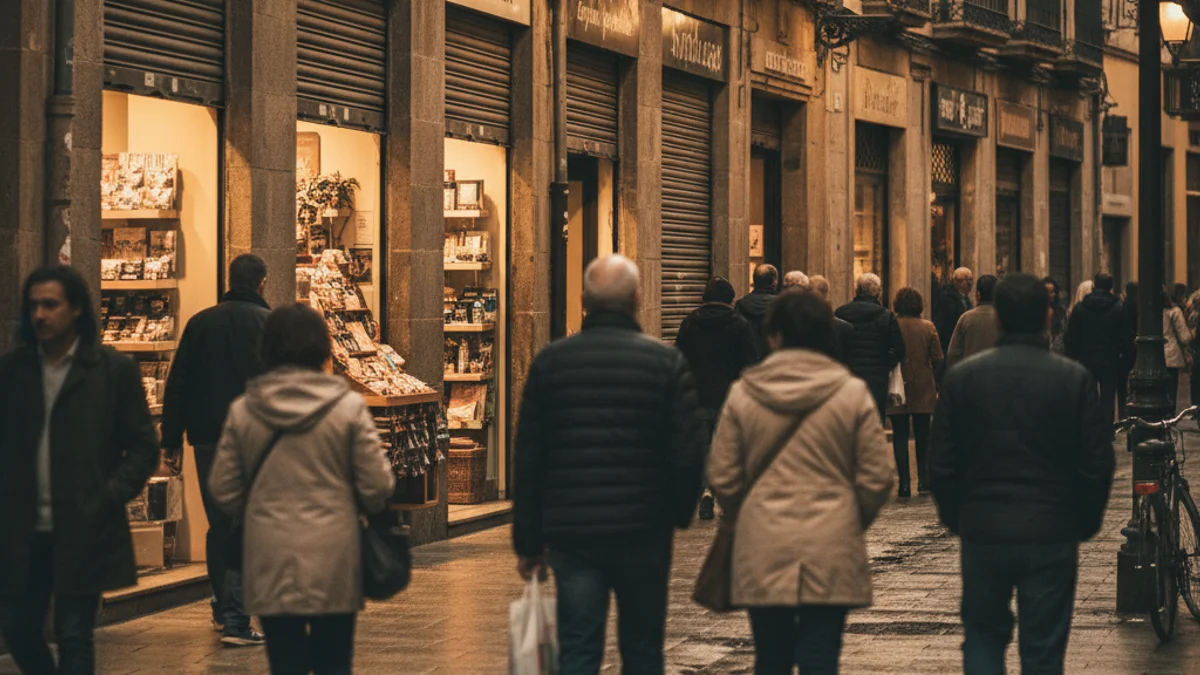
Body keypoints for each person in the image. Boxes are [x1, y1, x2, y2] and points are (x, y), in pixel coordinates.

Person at [512, 255, 705, 674]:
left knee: (579, 649)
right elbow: (688, 451)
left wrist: (528, 540)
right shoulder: (665, 363)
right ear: (638, 298)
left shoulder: (551, 363)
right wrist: (677, 512)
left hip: (573, 532)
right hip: (644, 530)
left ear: (584, 301)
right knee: (642, 648)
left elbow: (529, 458)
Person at [929, 273, 1114, 675]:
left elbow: (940, 461)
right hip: (1051, 528)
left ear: (997, 319)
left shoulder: (963, 379)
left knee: (982, 635)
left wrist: (958, 515)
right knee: (1044, 646)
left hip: (984, 528)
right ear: (1048, 317)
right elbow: (1096, 462)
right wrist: (1082, 521)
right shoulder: (1073, 379)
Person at [708, 289, 893, 675]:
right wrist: (847, 517)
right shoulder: (852, 393)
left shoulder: (744, 394)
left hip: (763, 542)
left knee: (771, 657)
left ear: (773, 336)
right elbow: (877, 478)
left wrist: (752, 512)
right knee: (820, 658)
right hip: (830, 542)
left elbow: (722, 473)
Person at [208, 303, 395, 675]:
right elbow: (378, 485)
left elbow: (222, 489)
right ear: (322, 349)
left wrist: (259, 506)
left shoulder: (245, 411)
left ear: (267, 349)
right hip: (335, 557)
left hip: (271, 555)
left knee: (286, 661)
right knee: (333, 662)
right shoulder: (348, 409)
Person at [0, 266, 159, 674]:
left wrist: (107, 495)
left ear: (75, 310)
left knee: (74, 635)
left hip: (83, 525)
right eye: (33, 305)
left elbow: (143, 444)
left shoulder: (109, 371)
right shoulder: (14, 370)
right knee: (17, 628)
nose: (40, 314)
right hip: (23, 528)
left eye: (50, 304)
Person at [160, 253, 270, 646]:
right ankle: (236, 619)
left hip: (207, 438)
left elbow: (178, 383)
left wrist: (170, 440)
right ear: (261, 284)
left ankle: (222, 605)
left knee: (221, 524)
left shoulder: (201, 322)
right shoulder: (270, 325)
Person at [675, 276, 757, 520]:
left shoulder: (689, 323)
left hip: (697, 397)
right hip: (729, 398)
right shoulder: (739, 324)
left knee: (703, 449)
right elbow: (749, 364)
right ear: (731, 300)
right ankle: (722, 493)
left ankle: (704, 491)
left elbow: (678, 360)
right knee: (727, 449)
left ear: (704, 299)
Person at [887, 287, 944, 498]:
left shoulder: (891, 324)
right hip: (923, 384)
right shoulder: (927, 327)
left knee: (900, 435)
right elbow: (938, 357)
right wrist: (934, 380)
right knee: (923, 435)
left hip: (897, 386)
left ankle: (903, 484)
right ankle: (924, 480)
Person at [834, 273, 906, 419]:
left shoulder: (841, 312)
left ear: (856, 291)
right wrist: (885, 365)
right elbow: (899, 349)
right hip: (877, 380)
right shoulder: (886, 315)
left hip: (847, 377)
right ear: (878, 293)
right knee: (874, 421)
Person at [1065, 273, 1126, 430]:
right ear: (1111, 287)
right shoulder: (1118, 307)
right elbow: (1124, 334)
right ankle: (1107, 430)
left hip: (1086, 357)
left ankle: (1089, 428)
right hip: (1109, 358)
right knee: (1108, 396)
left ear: (1094, 286)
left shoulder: (1081, 307)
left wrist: (1073, 354)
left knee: (1088, 394)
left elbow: (1071, 333)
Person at [945, 275, 1000, 371]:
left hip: (970, 375)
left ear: (978, 294)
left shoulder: (966, 318)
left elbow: (953, 354)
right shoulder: (1005, 318)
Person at [736, 264, 780, 362]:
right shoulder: (781, 305)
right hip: (773, 360)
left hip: (748, 359)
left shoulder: (741, 304)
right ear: (774, 282)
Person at [933, 267, 974, 355]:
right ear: (956, 282)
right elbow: (943, 325)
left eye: (971, 280)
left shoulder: (966, 299)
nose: (970, 283)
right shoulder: (946, 298)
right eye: (966, 280)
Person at [1164, 287, 1193, 409]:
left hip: (1154, 358)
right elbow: (1184, 337)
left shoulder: (1150, 312)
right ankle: (1169, 419)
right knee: (1171, 392)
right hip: (1171, 356)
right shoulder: (1175, 312)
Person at [1118, 281, 1139, 420]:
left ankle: (1122, 411)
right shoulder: (1138, 306)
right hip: (1133, 347)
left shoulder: (1123, 306)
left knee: (1122, 382)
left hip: (1123, 349)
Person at [1043, 277, 1067, 355]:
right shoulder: (1036, 311)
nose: (1050, 295)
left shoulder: (1060, 311)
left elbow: (1062, 332)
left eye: (1053, 292)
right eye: (1047, 292)